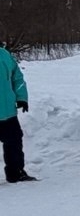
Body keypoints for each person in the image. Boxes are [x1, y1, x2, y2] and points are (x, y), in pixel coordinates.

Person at [0, 44, 35, 183]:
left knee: (14, 142)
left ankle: (16, 173)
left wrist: (21, 97)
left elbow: (17, 77)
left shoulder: (4, 54)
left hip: (7, 111)